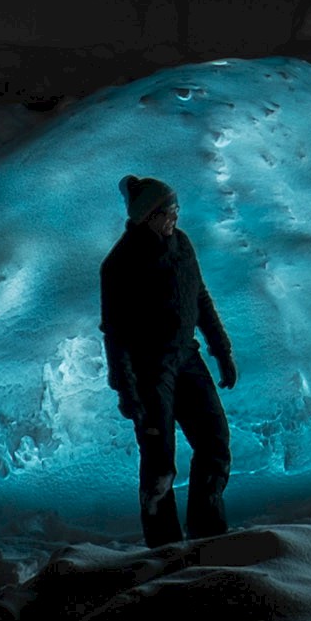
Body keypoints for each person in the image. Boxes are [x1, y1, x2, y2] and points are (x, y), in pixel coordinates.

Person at [98, 174, 238, 545]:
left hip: (186, 360)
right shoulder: (119, 265)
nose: (177, 216)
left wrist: (221, 350)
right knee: (160, 463)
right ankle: (165, 551)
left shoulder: (182, 245)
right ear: (149, 216)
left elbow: (200, 298)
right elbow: (115, 334)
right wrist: (126, 389)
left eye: (176, 209)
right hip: (149, 372)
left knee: (214, 443)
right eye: (170, 210)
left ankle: (208, 535)